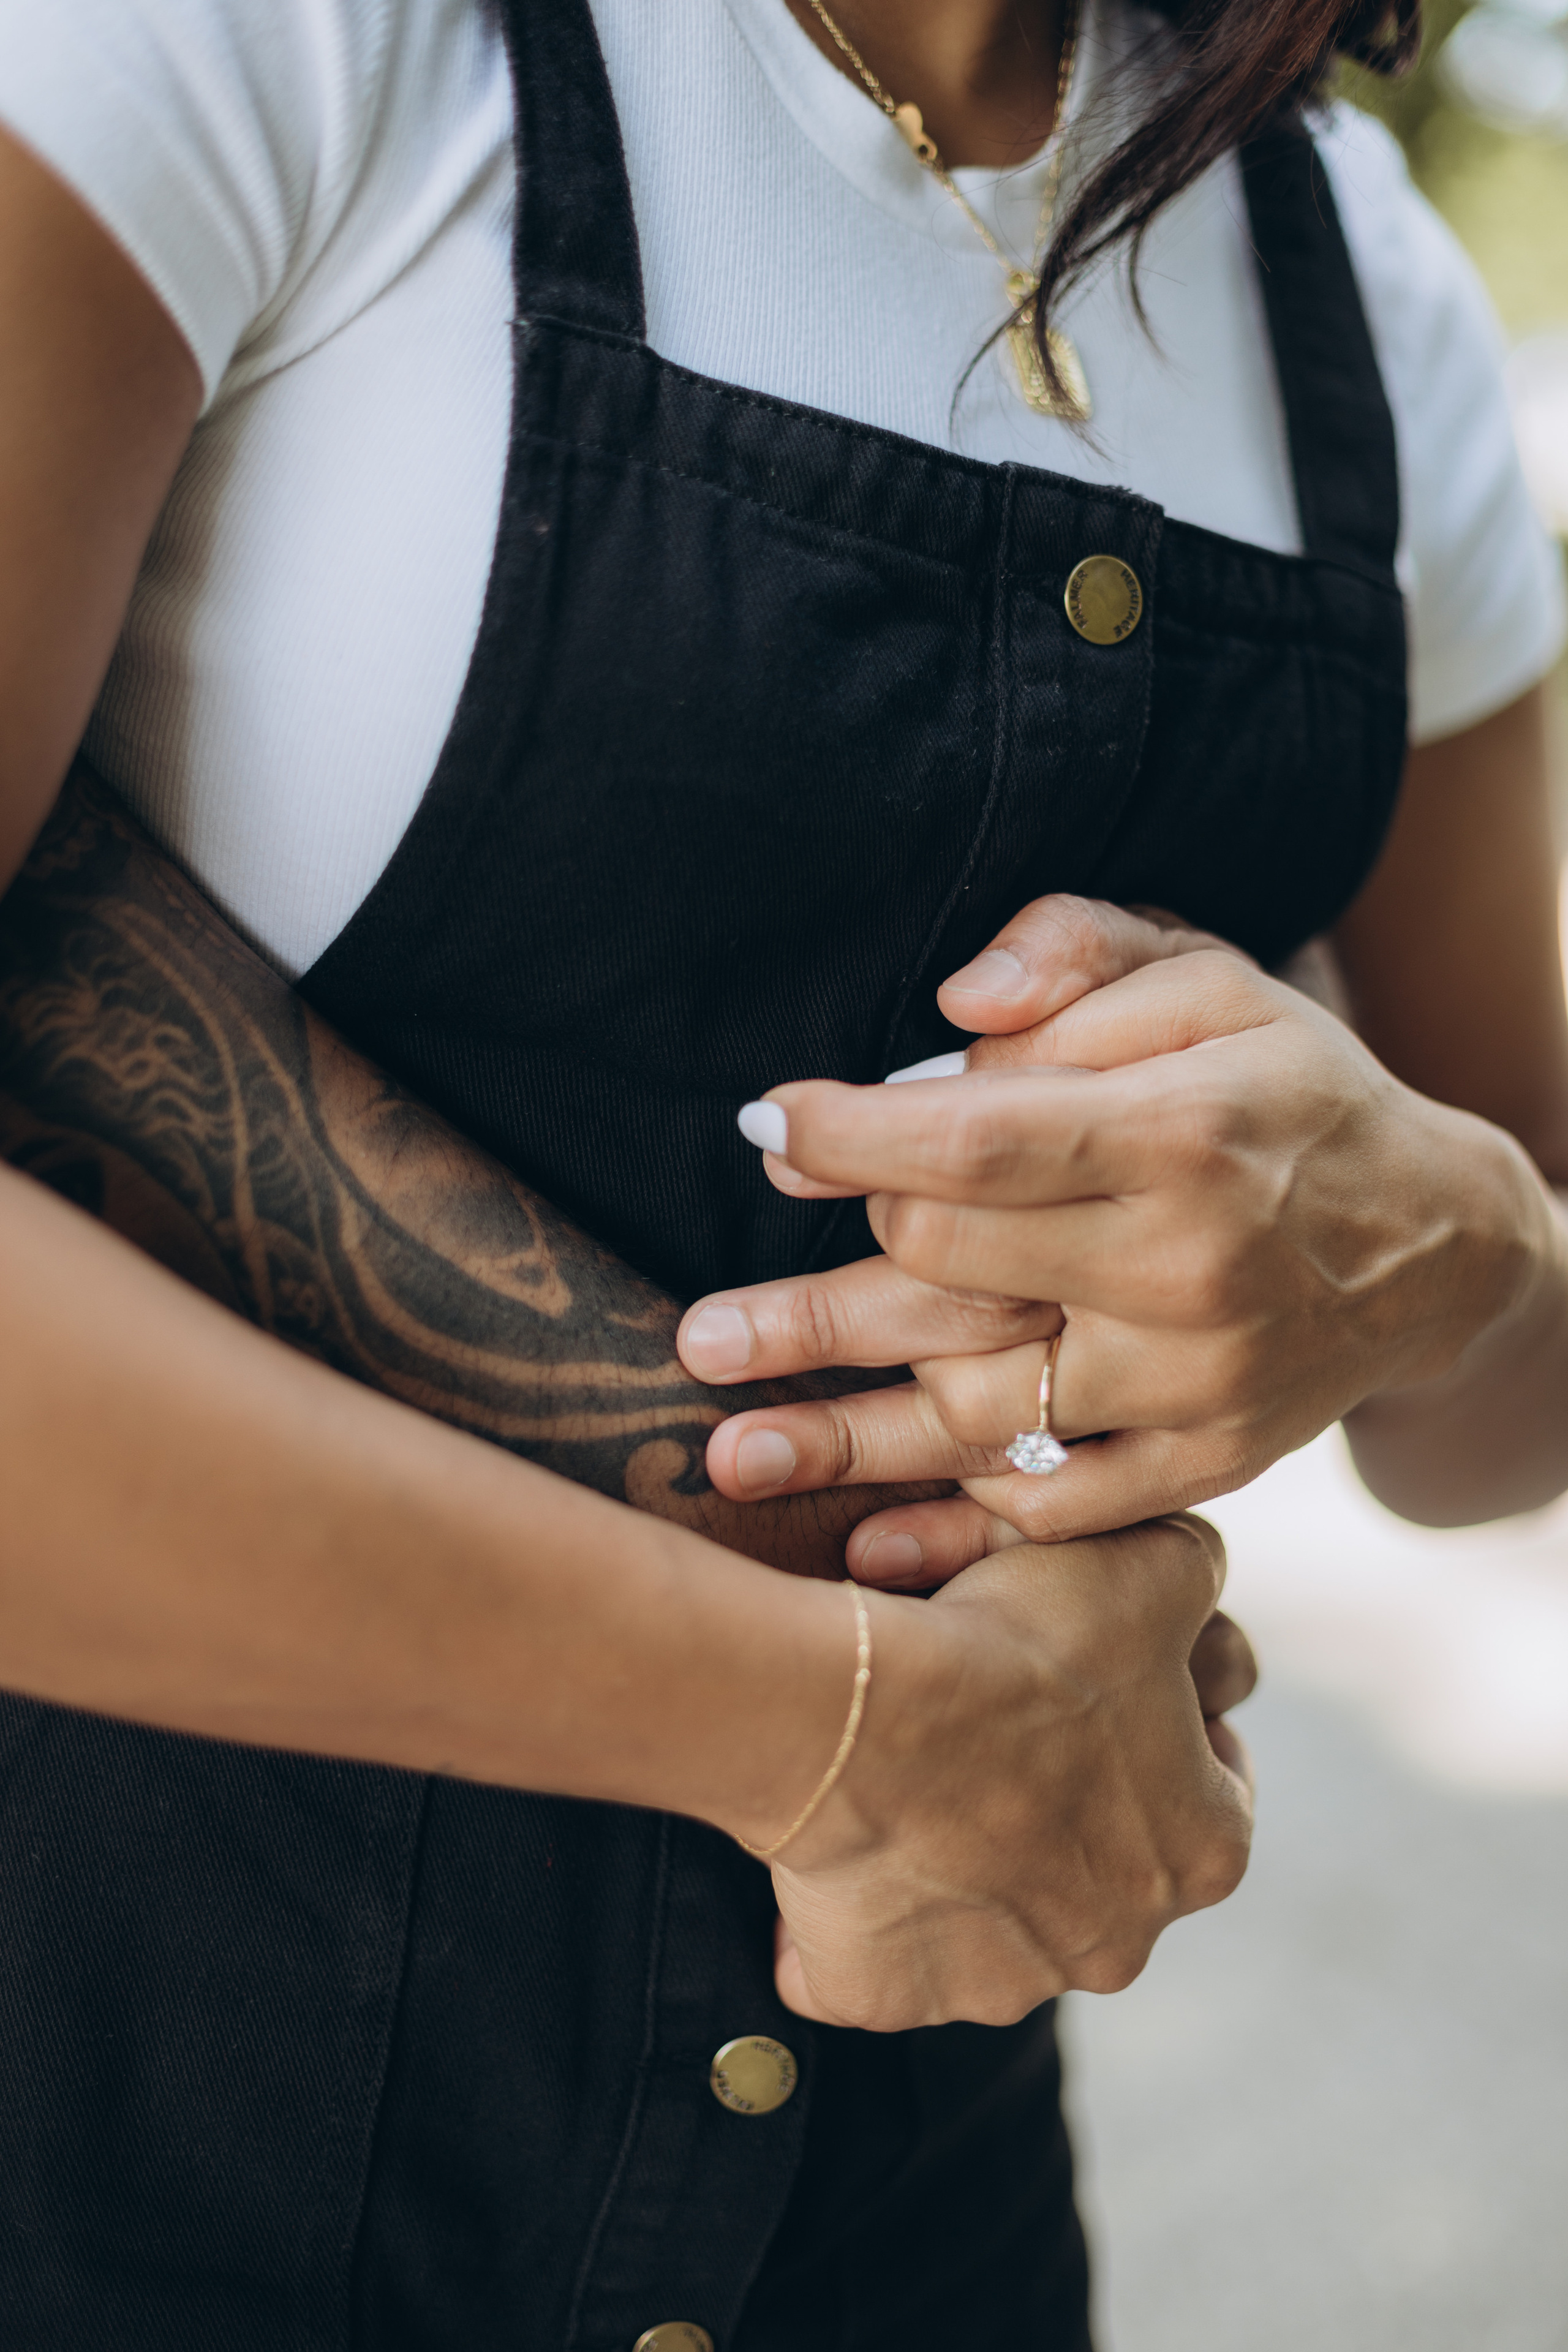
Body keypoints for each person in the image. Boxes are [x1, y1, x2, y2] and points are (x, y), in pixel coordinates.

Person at [0, 4, 1564, 2350]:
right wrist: (845, 1727)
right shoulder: (268, 41)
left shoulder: (1364, 293)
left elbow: (1500, 1431)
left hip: (896, 2235)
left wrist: (1457, 1239)